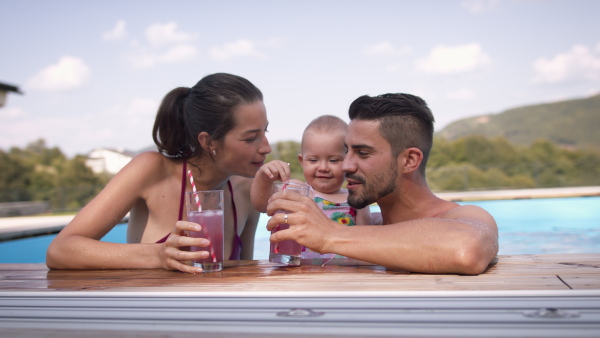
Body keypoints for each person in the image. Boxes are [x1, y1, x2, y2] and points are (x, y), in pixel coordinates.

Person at [46, 73, 271, 273]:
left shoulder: (245, 190)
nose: (266, 147)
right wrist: (157, 255)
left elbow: (243, 277)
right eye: (251, 138)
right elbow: (60, 250)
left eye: (265, 131)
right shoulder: (152, 170)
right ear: (208, 141)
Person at [264, 93, 499, 275]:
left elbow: (467, 248)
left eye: (362, 153)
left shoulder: (463, 217)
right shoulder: (367, 226)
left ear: (409, 160)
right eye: (347, 152)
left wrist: (328, 236)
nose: (345, 165)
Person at [251, 115, 375, 262]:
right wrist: (263, 178)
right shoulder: (298, 191)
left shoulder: (355, 198)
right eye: (314, 160)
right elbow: (262, 204)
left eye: (334, 160)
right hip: (300, 270)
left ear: (347, 161)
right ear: (301, 161)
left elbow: (366, 240)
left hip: (343, 275)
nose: (323, 168)